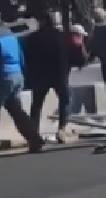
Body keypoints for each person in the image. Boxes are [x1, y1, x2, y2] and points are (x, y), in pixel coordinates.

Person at [0, 17, 46, 157]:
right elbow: (21, 56)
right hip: (17, 75)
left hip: (1, 78)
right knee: (17, 111)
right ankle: (35, 139)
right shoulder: (9, 35)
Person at [23, 11, 73, 143]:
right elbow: (68, 56)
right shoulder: (62, 36)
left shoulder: (33, 37)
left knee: (37, 105)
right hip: (59, 75)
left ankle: (34, 133)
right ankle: (62, 128)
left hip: (41, 75)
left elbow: (28, 57)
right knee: (64, 101)